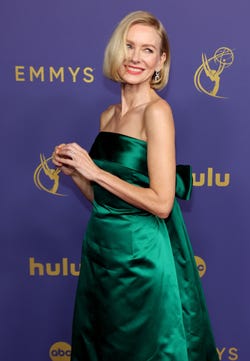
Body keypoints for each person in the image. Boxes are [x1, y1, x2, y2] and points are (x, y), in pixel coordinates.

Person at [52, 10, 218, 361]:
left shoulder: (157, 113)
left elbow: (161, 202)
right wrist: (78, 174)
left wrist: (94, 171)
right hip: (102, 254)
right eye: (129, 46)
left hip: (141, 258)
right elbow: (106, 199)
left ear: (161, 60)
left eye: (147, 50)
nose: (135, 58)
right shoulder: (108, 115)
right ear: (116, 50)